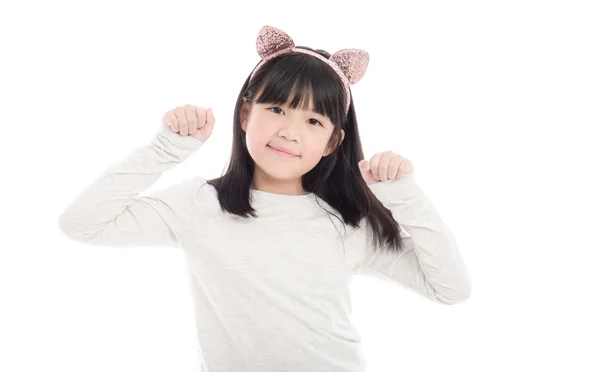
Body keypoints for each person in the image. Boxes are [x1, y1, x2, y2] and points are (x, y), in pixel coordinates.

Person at [58, 25, 472, 372]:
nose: (291, 132)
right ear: (244, 114)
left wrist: (406, 198)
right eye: (276, 110)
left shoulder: (347, 222)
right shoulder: (199, 204)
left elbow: (450, 289)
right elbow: (82, 223)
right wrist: (164, 150)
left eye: (313, 120)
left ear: (332, 143)